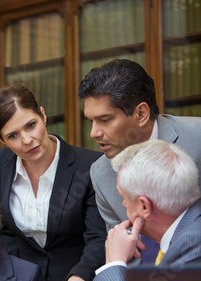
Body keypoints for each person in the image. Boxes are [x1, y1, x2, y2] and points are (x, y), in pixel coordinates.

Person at [0, 84, 107, 281]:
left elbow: (98, 236)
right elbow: (5, 231)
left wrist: (80, 274)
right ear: (0, 139)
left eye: (31, 125)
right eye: (13, 136)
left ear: (43, 115)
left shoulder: (90, 166)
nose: (27, 140)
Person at [77, 58, 201, 262]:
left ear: (141, 114)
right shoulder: (101, 173)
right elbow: (127, 254)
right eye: (90, 121)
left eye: (104, 120)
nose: (93, 132)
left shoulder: (198, 140)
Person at [92, 139, 201, 281]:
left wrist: (114, 263)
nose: (123, 205)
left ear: (144, 206)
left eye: (123, 197)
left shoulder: (192, 243)